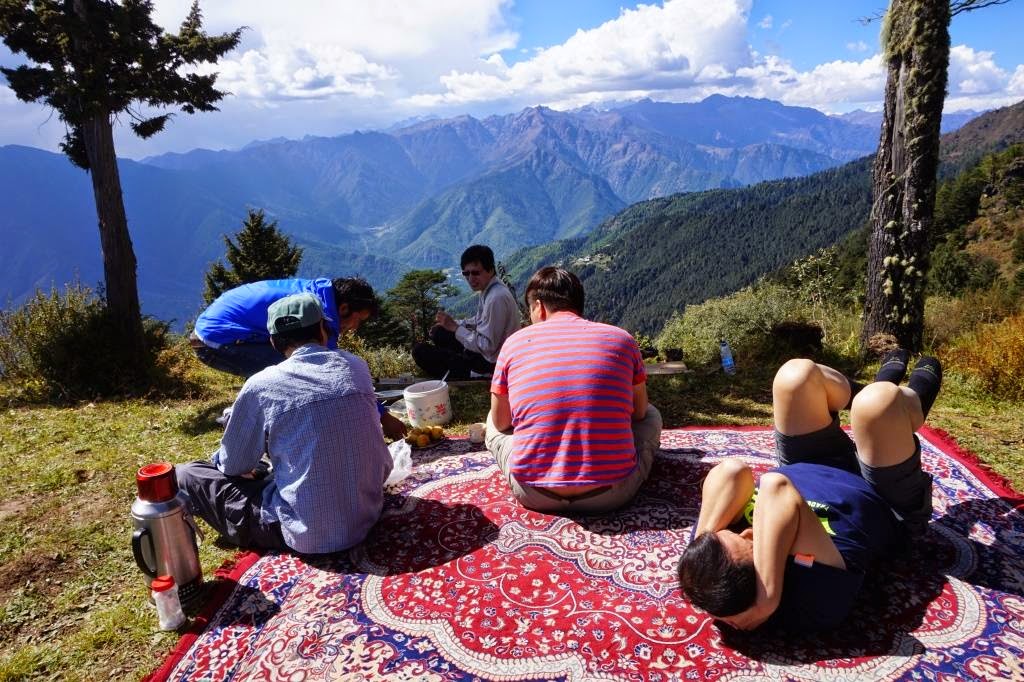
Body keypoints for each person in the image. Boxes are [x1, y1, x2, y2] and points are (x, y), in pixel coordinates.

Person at [677, 353, 943, 631]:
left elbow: (731, 472)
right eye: (746, 541)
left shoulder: (718, 564)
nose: (742, 530)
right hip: (884, 497)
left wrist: (698, 552)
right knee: (878, 404)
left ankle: (873, 398)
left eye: (727, 531)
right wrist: (768, 597)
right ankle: (909, 401)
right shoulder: (813, 593)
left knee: (795, 375)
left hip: (810, 464)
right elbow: (774, 487)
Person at [176, 293, 394, 554]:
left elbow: (234, 465)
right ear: (324, 330)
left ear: (273, 341)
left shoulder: (261, 385)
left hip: (306, 534)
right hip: (368, 513)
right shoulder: (356, 366)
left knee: (187, 473)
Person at [485, 266, 663, 514]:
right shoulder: (623, 339)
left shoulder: (513, 343)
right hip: (613, 493)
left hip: (534, 493)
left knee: (491, 422)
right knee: (653, 415)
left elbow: (503, 422)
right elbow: (639, 413)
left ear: (539, 306)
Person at [191, 276, 407, 439]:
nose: (354, 329)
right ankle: (238, 419)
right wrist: (384, 418)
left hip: (227, 330)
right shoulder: (321, 311)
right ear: (344, 308)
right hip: (215, 340)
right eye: (357, 320)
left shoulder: (322, 298)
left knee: (296, 363)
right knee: (293, 367)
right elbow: (332, 370)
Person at [412, 245, 520, 379]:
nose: (470, 278)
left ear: (490, 270)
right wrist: (450, 324)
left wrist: (455, 328)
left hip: (492, 363)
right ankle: (458, 363)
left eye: (475, 273)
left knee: (420, 352)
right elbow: (479, 320)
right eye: (466, 273)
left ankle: (472, 374)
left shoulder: (496, 298)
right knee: (439, 332)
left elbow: (488, 347)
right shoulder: (490, 289)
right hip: (488, 354)